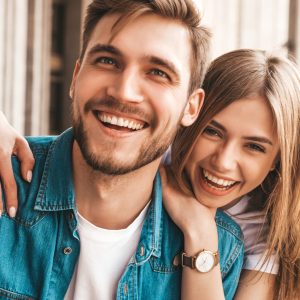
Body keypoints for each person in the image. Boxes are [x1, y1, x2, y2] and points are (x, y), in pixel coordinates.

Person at [0, 1, 244, 299]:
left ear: (191, 107)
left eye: (158, 72)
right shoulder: (6, 183)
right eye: (107, 61)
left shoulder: (215, 249)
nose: (124, 91)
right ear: (76, 78)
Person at [161, 49, 300, 300]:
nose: (223, 162)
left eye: (254, 147)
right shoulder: (151, 161)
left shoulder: (261, 237)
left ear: (277, 160)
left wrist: (200, 230)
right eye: (212, 131)